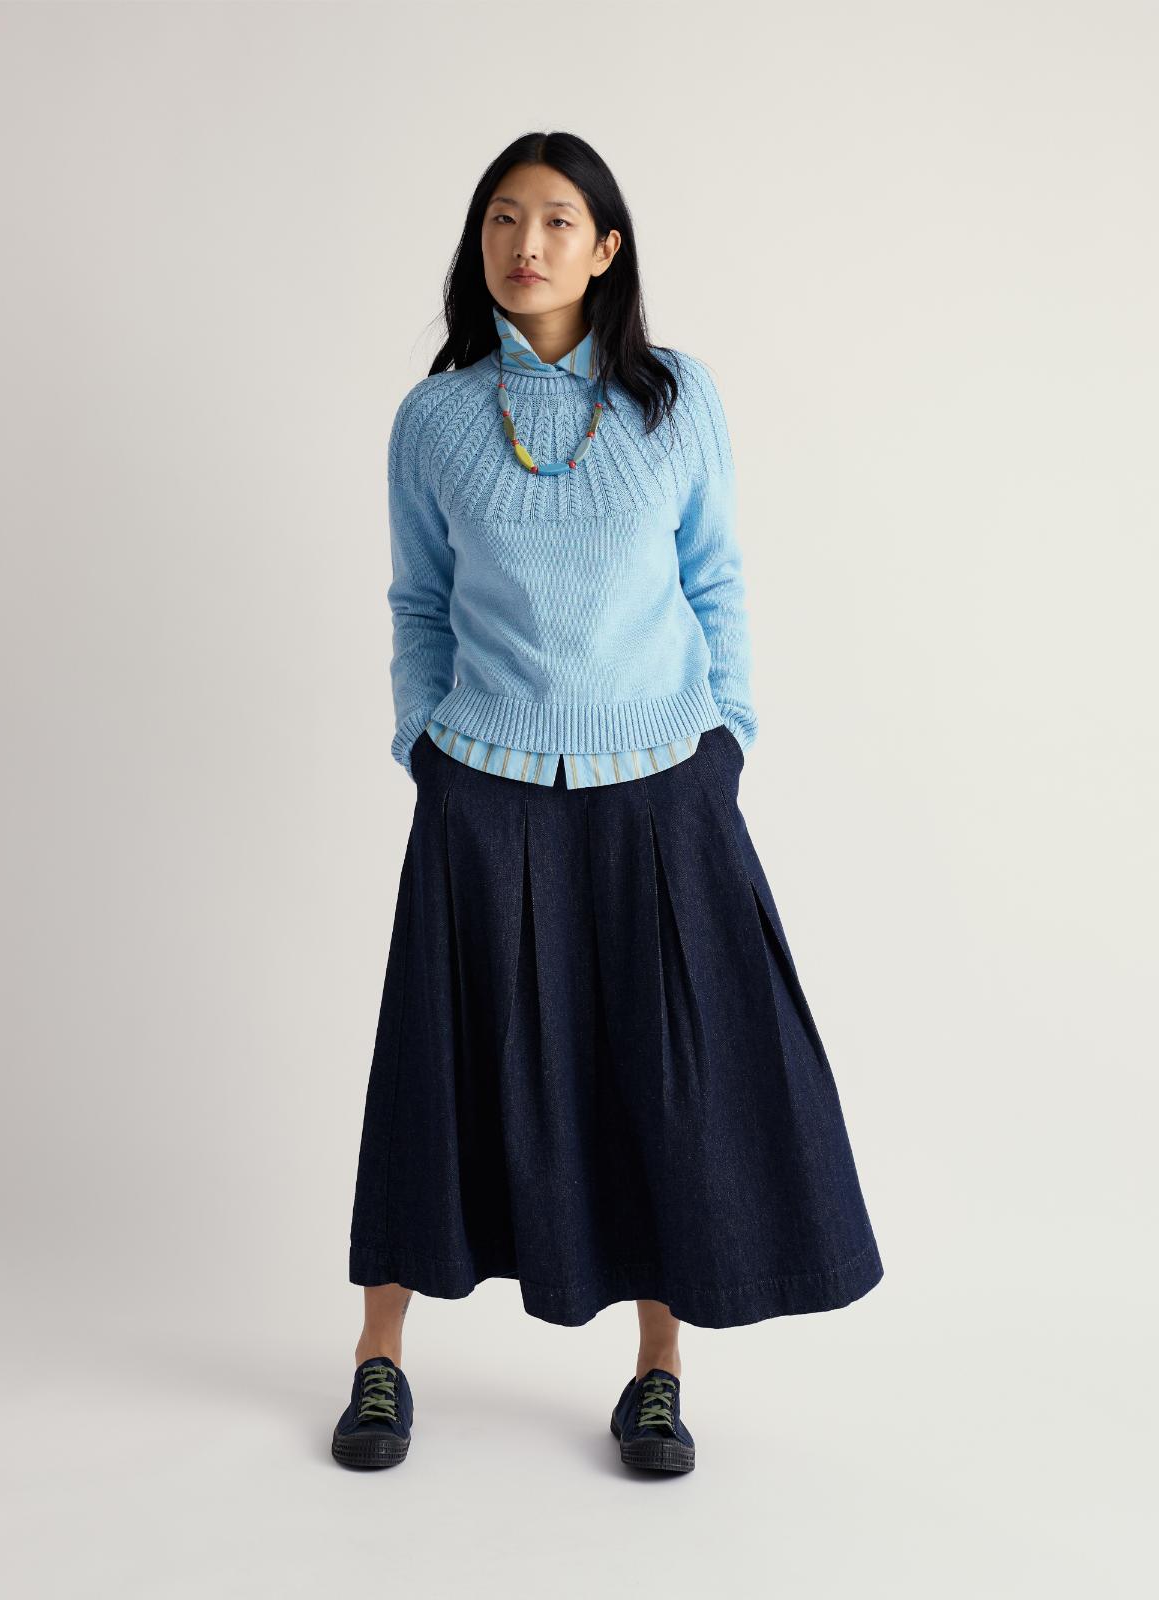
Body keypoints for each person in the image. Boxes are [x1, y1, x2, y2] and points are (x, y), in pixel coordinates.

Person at [331, 131, 884, 1475]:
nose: (526, 244)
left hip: (662, 790)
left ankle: (656, 1370)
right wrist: (425, 746)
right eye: (502, 218)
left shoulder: (674, 399)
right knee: (437, 1075)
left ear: (607, 247)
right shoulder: (435, 420)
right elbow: (417, 606)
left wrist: (724, 739)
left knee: (667, 1078)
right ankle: (378, 1357)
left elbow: (718, 580)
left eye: (557, 220)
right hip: (483, 792)